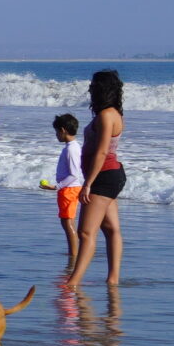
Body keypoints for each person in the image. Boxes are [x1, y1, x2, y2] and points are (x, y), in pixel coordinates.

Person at [68, 71, 126, 289]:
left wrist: (88, 183)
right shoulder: (111, 113)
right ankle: (113, 279)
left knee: (85, 231)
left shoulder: (106, 116)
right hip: (111, 175)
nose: (90, 89)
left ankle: (73, 282)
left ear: (102, 89)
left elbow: (101, 153)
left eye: (93, 85)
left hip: (104, 176)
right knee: (111, 229)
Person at [49, 112, 85, 270]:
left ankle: (74, 254)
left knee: (67, 222)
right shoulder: (72, 147)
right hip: (69, 188)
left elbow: (74, 174)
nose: (56, 135)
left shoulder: (71, 149)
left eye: (57, 132)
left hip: (69, 189)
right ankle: (74, 252)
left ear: (63, 130)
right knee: (67, 221)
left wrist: (57, 186)